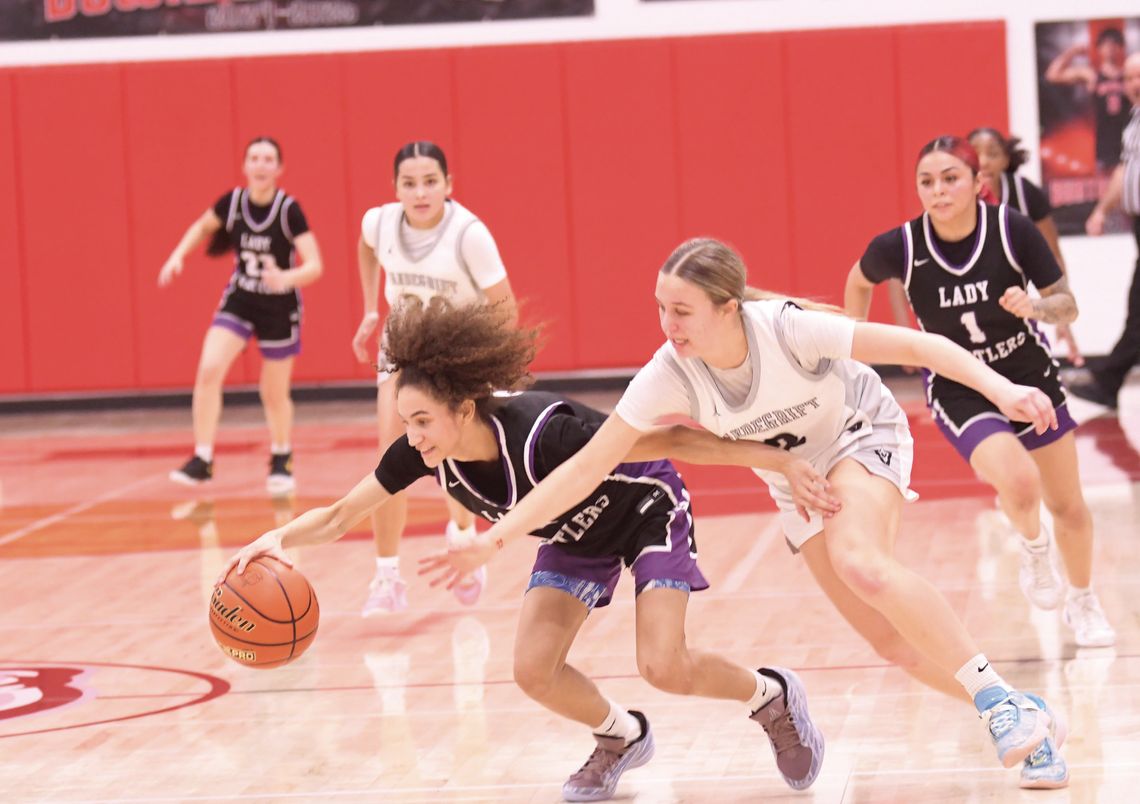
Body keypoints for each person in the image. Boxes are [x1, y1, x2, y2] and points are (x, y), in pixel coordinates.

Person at [429, 237, 1071, 789]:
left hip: (858, 434)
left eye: (682, 310)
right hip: (793, 478)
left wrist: (1003, 389)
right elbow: (584, 467)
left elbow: (921, 345)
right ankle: (1021, 711)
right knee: (890, 643)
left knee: (861, 563)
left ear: (727, 307)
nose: (667, 324)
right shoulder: (670, 371)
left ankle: (997, 704)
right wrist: (495, 539)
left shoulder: (786, 329)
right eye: (660, 308)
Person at [221, 301, 826, 800]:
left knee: (663, 665)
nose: (413, 436)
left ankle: (771, 698)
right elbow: (340, 515)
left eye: (423, 420)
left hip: (644, 505)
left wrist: (776, 461)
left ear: (463, 408)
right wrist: (278, 538)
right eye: (406, 422)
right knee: (533, 670)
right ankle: (621, 736)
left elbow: (669, 438)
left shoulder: (545, 431)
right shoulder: (421, 455)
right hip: (573, 533)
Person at [846, 136, 1114, 657]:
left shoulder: (1011, 229)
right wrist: (858, 350)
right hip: (960, 385)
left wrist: (1036, 308)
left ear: (977, 183)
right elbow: (858, 281)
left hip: (1028, 373)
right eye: (927, 182)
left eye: (950, 179)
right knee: (1018, 481)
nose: (938, 191)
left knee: (1068, 505)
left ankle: (1083, 600)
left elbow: (1067, 306)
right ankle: (1034, 548)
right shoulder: (901, 244)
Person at [350, 141, 518, 616]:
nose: (420, 192)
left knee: (449, 454)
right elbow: (365, 246)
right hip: (403, 348)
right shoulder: (379, 223)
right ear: (395, 188)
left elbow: (506, 309)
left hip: (454, 353)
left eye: (430, 182)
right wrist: (370, 308)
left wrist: (485, 367)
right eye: (409, 183)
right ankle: (386, 577)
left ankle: (461, 533)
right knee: (391, 451)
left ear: (448, 184)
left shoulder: (469, 235)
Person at [159, 137, 323, 495]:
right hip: (241, 299)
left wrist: (286, 278)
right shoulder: (231, 203)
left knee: (273, 392)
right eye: (255, 158)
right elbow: (201, 227)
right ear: (245, 165)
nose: (261, 165)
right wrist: (177, 256)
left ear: (279, 169)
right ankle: (202, 458)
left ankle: (281, 456)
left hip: (279, 306)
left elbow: (315, 265)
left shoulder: (288, 210)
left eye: (268, 159)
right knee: (209, 369)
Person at [968, 126, 1083, 365]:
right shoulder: (955, 197)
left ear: (1006, 160)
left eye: (992, 154)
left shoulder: (1024, 192)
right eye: (976, 154)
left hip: (1013, 302)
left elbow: (1053, 255)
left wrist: (1061, 319)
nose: (984, 161)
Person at [1069, 53, 1140, 409]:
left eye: (1139, 77)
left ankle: (1108, 381)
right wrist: (1101, 210)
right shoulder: (1134, 120)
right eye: (1128, 78)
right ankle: (1107, 380)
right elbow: (1124, 172)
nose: (1133, 84)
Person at [1045, 27, 1129, 173]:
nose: (1110, 48)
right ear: (1099, 48)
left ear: (1121, 48)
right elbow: (1052, 75)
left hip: (1127, 138)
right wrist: (1072, 52)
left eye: (1115, 44)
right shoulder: (1091, 75)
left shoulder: (1129, 75)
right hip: (1104, 143)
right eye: (1106, 44)